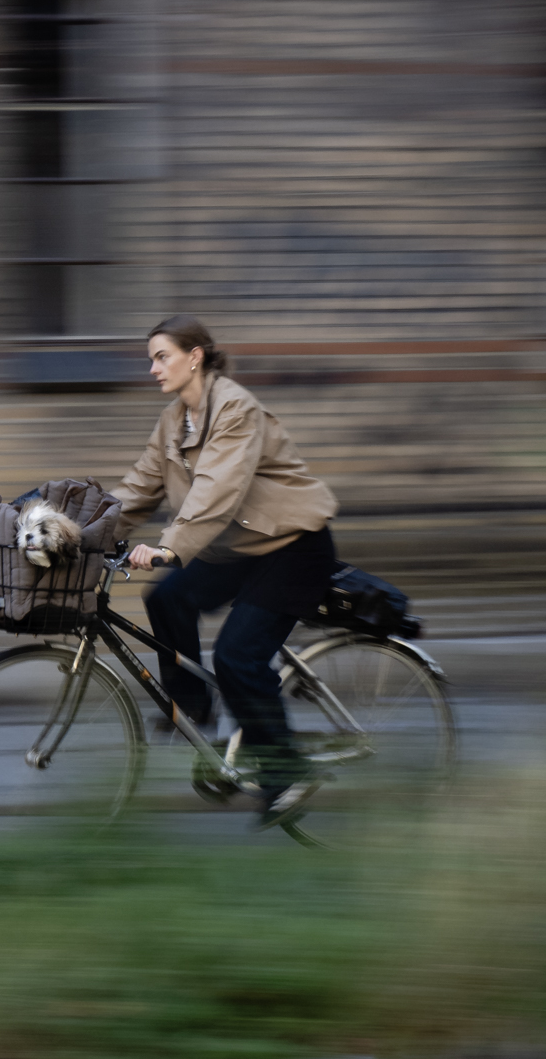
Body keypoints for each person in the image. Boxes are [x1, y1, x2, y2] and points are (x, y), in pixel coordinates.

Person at [110, 314, 339, 829]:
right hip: (240, 548)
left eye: (161, 356)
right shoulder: (174, 421)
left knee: (238, 655)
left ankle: (286, 773)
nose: (153, 368)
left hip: (293, 546)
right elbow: (138, 488)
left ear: (195, 357)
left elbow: (217, 488)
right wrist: (82, 530)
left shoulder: (235, 407)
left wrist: (168, 548)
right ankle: (194, 711)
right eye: (150, 359)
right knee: (165, 598)